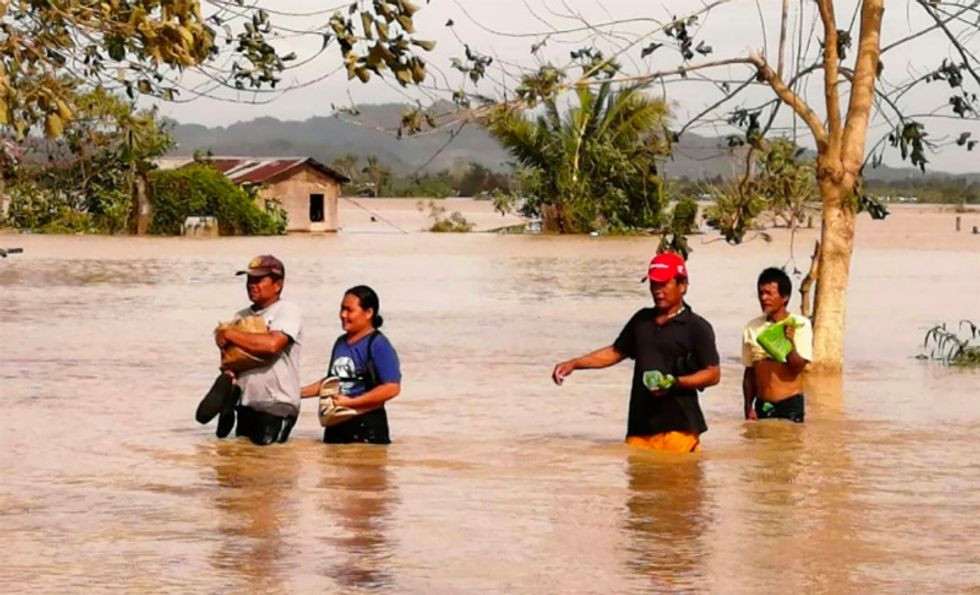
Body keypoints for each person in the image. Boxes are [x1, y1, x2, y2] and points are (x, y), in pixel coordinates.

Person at [552, 252, 721, 453]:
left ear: (682, 285)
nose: (657, 291)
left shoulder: (697, 327)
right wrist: (574, 364)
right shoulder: (642, 320)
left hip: (679, 427)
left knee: (677, 481)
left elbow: (713, 374)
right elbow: (615, 352)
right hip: (640, 427)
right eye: (654, 285)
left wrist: (674, 383)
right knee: (639, 482)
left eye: (664, 284)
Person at [196, 255, 304, 445]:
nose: (251, 285)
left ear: (278, 284)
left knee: (270, 463)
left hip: (277, 405)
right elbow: (232, 360)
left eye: (258, 279)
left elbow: (272, 345)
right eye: (249, 280)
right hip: (246, 405)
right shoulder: (241, 316)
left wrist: (229, 335)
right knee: (243, 464)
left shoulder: (286, 310)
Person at [301, 285, 401, 444]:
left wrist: (351, 403)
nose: (343, 315)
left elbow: (392, 388)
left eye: (349, 310)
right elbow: (332, 381)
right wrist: (297, 393)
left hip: (367, 427)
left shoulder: (378, 344)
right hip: (335, 423)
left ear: (368, 313)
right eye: (341, 309)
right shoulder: (340, 343)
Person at [741, 267, 812, 423]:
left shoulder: (799, 325)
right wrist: (748, 406)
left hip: (790, 403)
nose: (764, 298)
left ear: (784, 297)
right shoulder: (752, 328)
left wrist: (789, 345)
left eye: (769, 293)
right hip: (763, 404)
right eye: (761, 293)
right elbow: (750, 372)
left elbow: (798, 367)